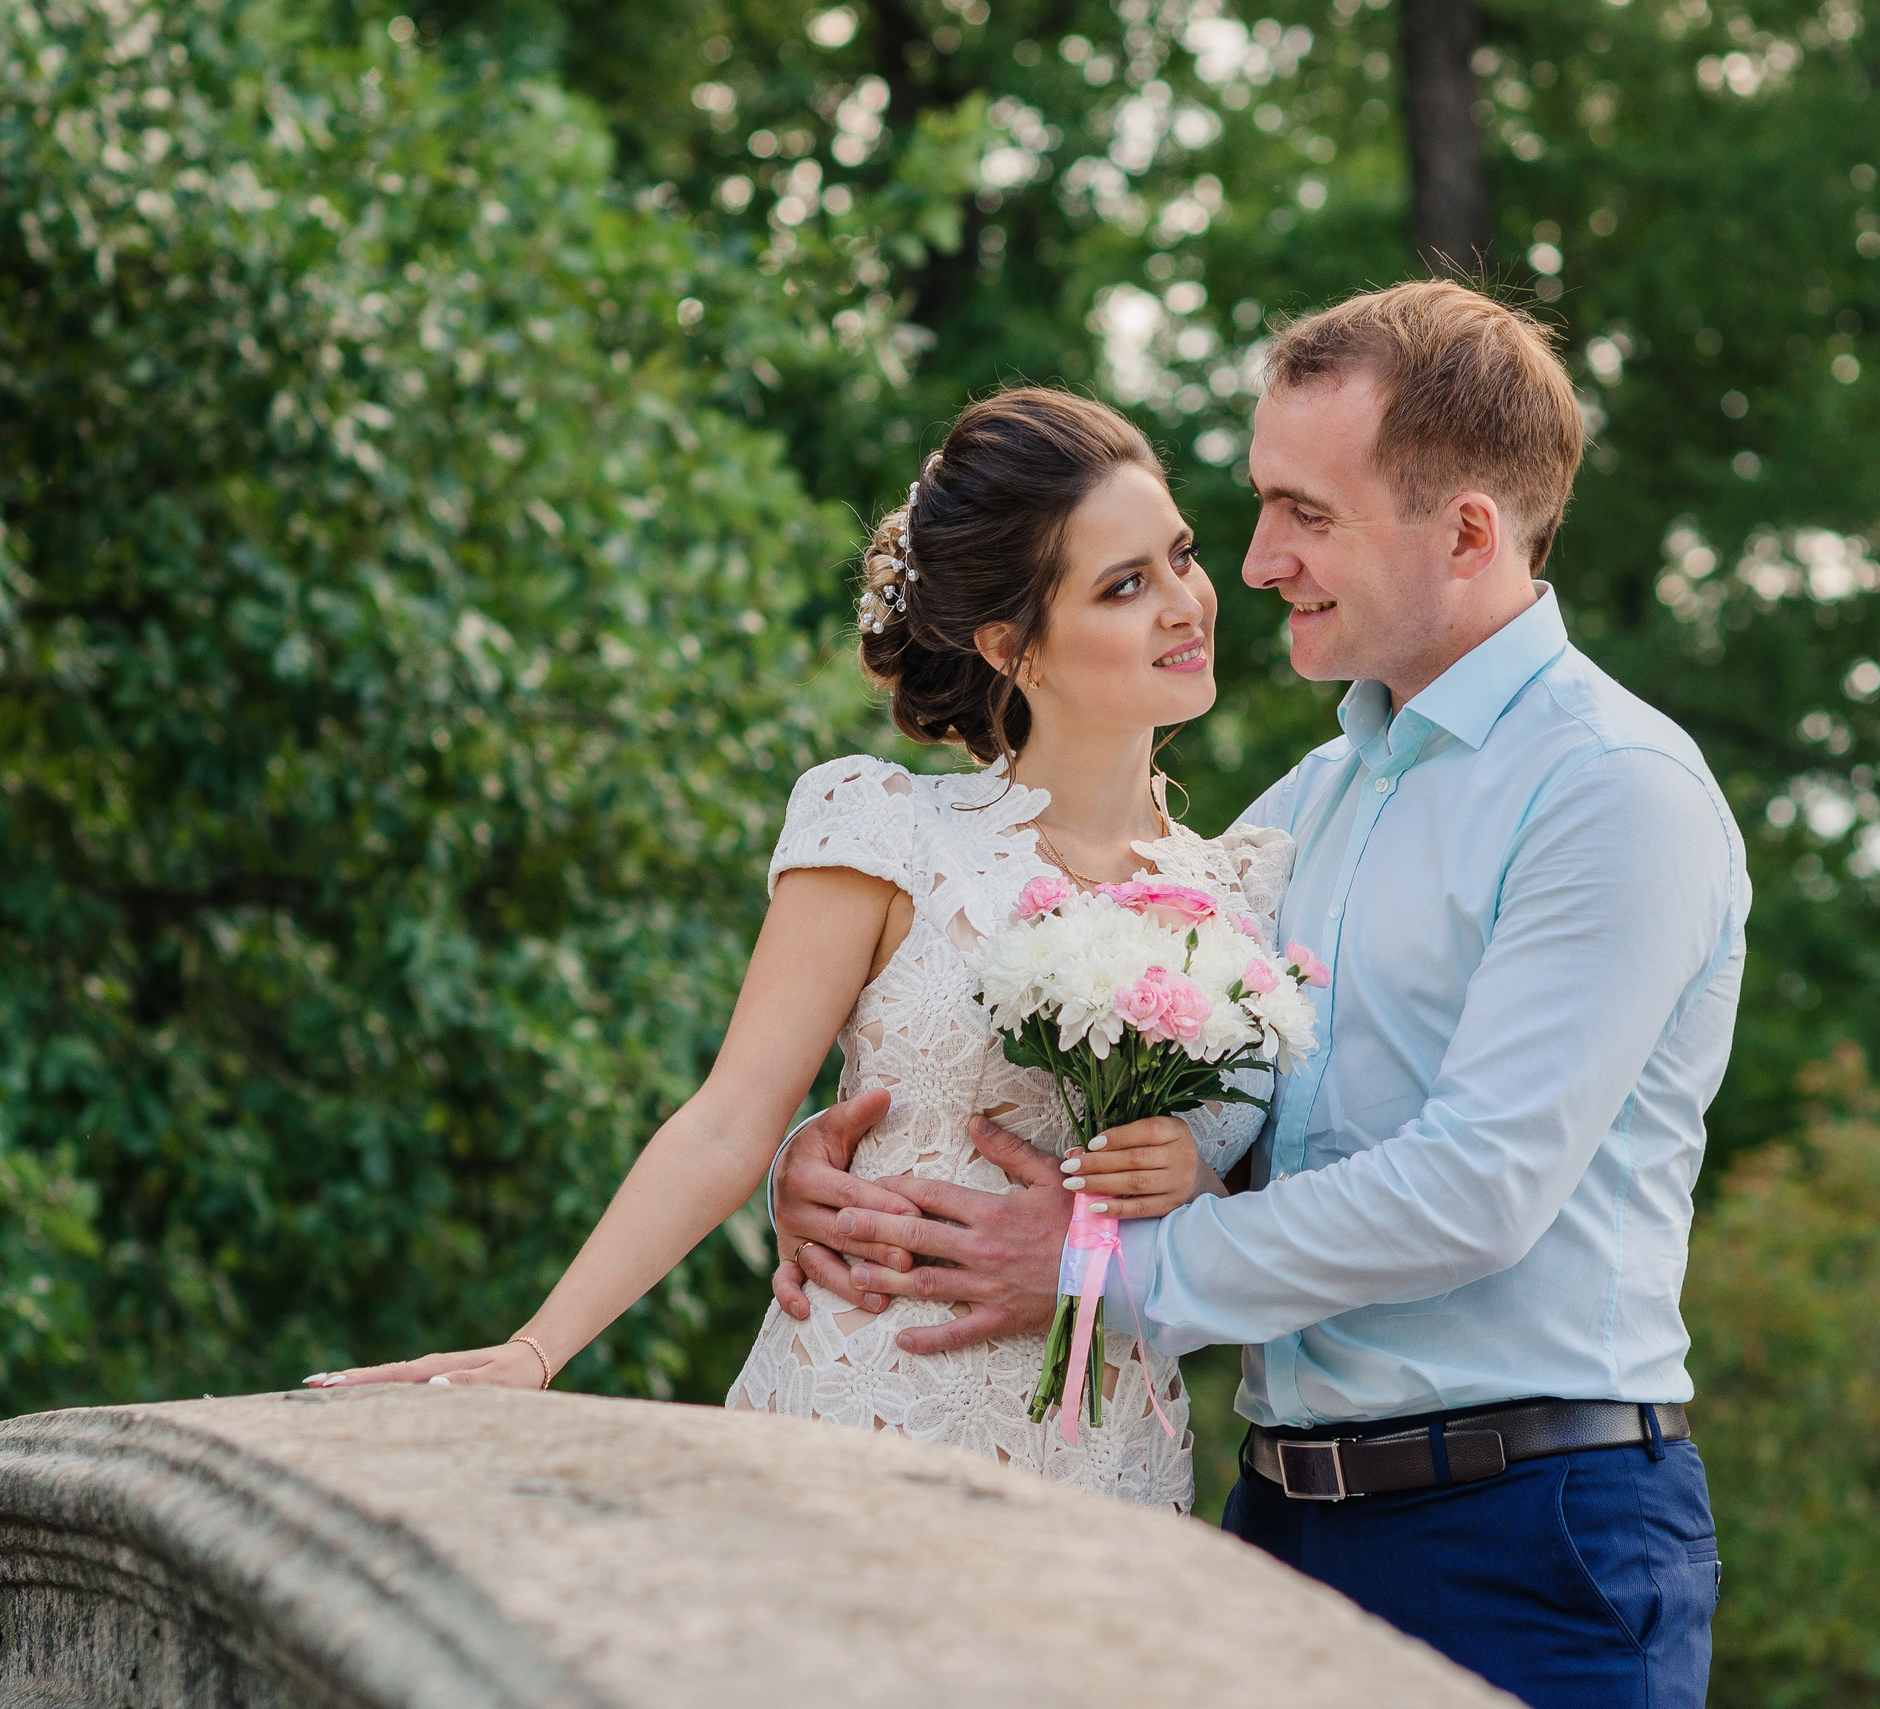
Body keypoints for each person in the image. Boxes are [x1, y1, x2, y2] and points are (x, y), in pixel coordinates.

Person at [772, 281, 1749, 1709]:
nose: (1257, 557)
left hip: (1528, 1534)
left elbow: (1478, 1186)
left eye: (1306, 511)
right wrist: (852, 1159)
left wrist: (1101, 1268)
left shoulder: (1612, 793)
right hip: (1276, 1522)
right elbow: (1165, 1092)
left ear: (1468, 530)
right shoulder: (1305, 809)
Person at [303, 388, 1297, 1511]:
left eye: (1181, 556)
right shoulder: (886, 832)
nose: (1186, 603)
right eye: (1125, 585)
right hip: (872, 1424)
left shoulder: (1249, 887)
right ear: (1011, 645)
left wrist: (1195, 1183)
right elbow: (730, 1119)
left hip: (1113, 1469)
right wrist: (537, 1348)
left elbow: (1285, 1193)